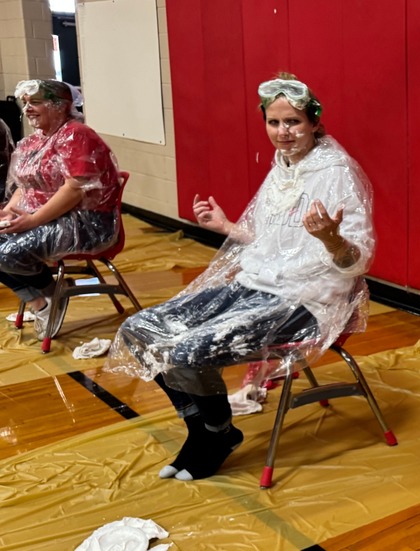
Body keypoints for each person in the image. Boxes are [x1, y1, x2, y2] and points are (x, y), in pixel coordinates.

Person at [107, 74, 375, 481]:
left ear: (314, 123)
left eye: (293, 122)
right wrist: (228, 226)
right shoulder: (283, 168)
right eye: (274, 122)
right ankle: (208, 429)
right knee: (140, 329)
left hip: (307, 299)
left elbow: (356, 262)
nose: (282, 133)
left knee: (186, 351)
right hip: (256, 285)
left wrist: (332, 238)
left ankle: (213, 433)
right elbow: (273, 242)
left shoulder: (337, 173)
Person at [0, 80, 120, 339]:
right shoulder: (34, 141)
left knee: (7, 254)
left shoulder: (76, 135)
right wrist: (9, 211)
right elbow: (25, 185)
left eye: (36, 102)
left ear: (60, 106)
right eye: (26, 103)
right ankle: (42, 301)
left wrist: (31, 221)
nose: (28, 109)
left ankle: (49, 292)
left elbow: (75, 189)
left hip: (88, 224)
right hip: (51, 218)